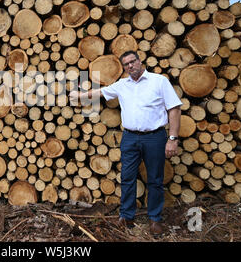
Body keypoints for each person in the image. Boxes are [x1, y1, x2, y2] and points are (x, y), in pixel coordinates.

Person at [70, 50, 182, 236]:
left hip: (154, 137)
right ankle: (126, 216)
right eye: (126, 64)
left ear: (139, 61)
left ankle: (155, 220)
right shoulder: (122, 85)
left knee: (155, 180)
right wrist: (79, 96)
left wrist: (173, 138)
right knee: (128, 177)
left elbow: (174, 109)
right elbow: (100, 92)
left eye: (133, 61)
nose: (130, 66)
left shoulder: (159, 81)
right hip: (130, 137)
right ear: (124, 67)